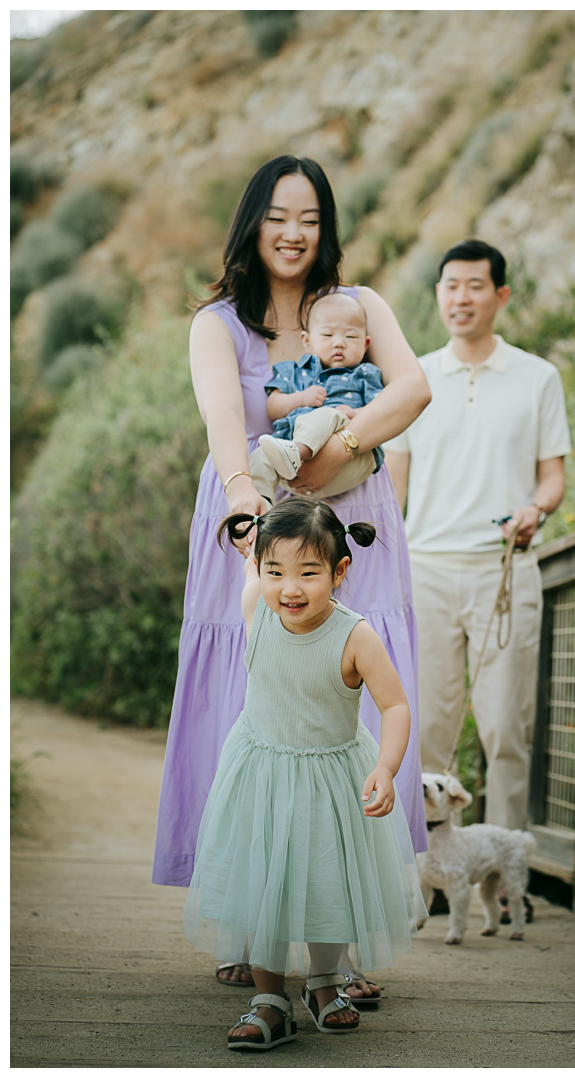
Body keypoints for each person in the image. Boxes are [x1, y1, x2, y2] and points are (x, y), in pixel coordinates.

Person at [151, 155, 431, 998]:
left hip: (356, 519)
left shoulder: (360, 306)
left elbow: (413, 388)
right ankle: (247, 921)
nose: (294, 231)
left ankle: (342, 934)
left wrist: (327, 465)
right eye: (278, 215)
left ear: (327, 227)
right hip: (249, 523)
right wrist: (250, 503)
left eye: (309, 217)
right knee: (251, 704)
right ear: (253, 221)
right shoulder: (217, 322)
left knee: (351, 693)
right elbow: (224, 420)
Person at [184, 498, 425, 1051]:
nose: (289, 588)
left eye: (308, 573)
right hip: (261, 772)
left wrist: (386, 768)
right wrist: (254, 528)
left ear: (340, 572)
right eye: (276, 572)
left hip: (330, 779)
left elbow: (395, 706)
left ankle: (323, 981)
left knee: (326, 881)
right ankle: (269, 999)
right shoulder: (256, 606)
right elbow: (253, 563)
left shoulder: (354, 635)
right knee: (264, 880)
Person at [384, 238, 571, 847]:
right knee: (429, 728)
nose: (460, 298)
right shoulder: (412, 379)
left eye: (474, 286)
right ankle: (431, 872)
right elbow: (394, 487)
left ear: (501, 295)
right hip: (426, 572)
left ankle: (507, 870)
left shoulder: (538, 378)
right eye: (450, 286)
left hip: (506, 572)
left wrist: (535, 509)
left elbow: (553, 476)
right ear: (438, 295)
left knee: (505, 727)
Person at [250, 291, 383, 503]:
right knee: (260, 455)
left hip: (349, 460)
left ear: (366, 344)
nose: (339, 343)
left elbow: (383, 411)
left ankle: (297, 453)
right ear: (307, 341)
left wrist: (355, 412)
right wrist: (301, 398)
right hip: (290, 467)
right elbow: (273, 407)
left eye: (350, 336)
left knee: (329, 414)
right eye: (328, 335)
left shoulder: (364, 374)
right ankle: (261, 503)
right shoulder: (294, 371)